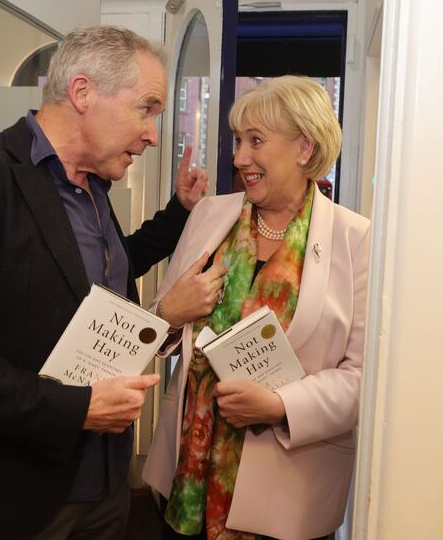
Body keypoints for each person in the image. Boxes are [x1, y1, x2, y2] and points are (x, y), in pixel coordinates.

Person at [0, 26, 208, 540]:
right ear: (82, 93)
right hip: (4, 498)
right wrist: (77, 408)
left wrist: (177, 216)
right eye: (145, 109)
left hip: (104, 489)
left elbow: (101, 273)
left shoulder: (95, 188)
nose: (151, 134)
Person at [143, 76, 370, 540]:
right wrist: (170, 310)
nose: (239, 157)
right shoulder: (210, 215)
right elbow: (162, 324)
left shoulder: (356, 240)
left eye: (256, 141)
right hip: (188, 475)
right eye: (237, 140)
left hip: (288, 494)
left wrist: (279, 406)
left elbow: (363, 377)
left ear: (304, 148)